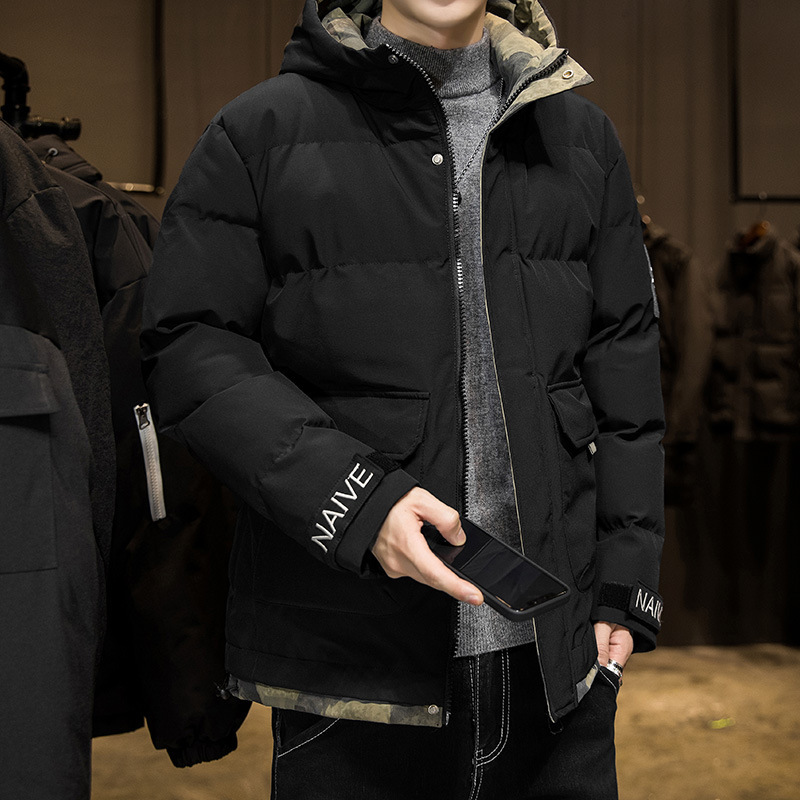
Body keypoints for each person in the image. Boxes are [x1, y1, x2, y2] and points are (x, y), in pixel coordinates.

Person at [141, 1, 665, 797]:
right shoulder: (259, 132)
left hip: (558, 668)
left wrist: (627, 584)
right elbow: (189, 345)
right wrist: (353, 501)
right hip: (352, 672)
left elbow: (623, 367)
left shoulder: (584, 140)